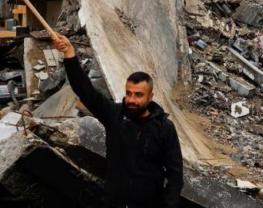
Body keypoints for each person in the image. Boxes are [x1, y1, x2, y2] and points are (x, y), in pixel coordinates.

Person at [53, 34, 183, 208]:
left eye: (138, 95)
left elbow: (175, 175)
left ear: (150, 97)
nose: (131, 99)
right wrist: (69, 54)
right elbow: (85, 91)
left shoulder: (164, 128)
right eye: (128, 93)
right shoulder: (114, 115)